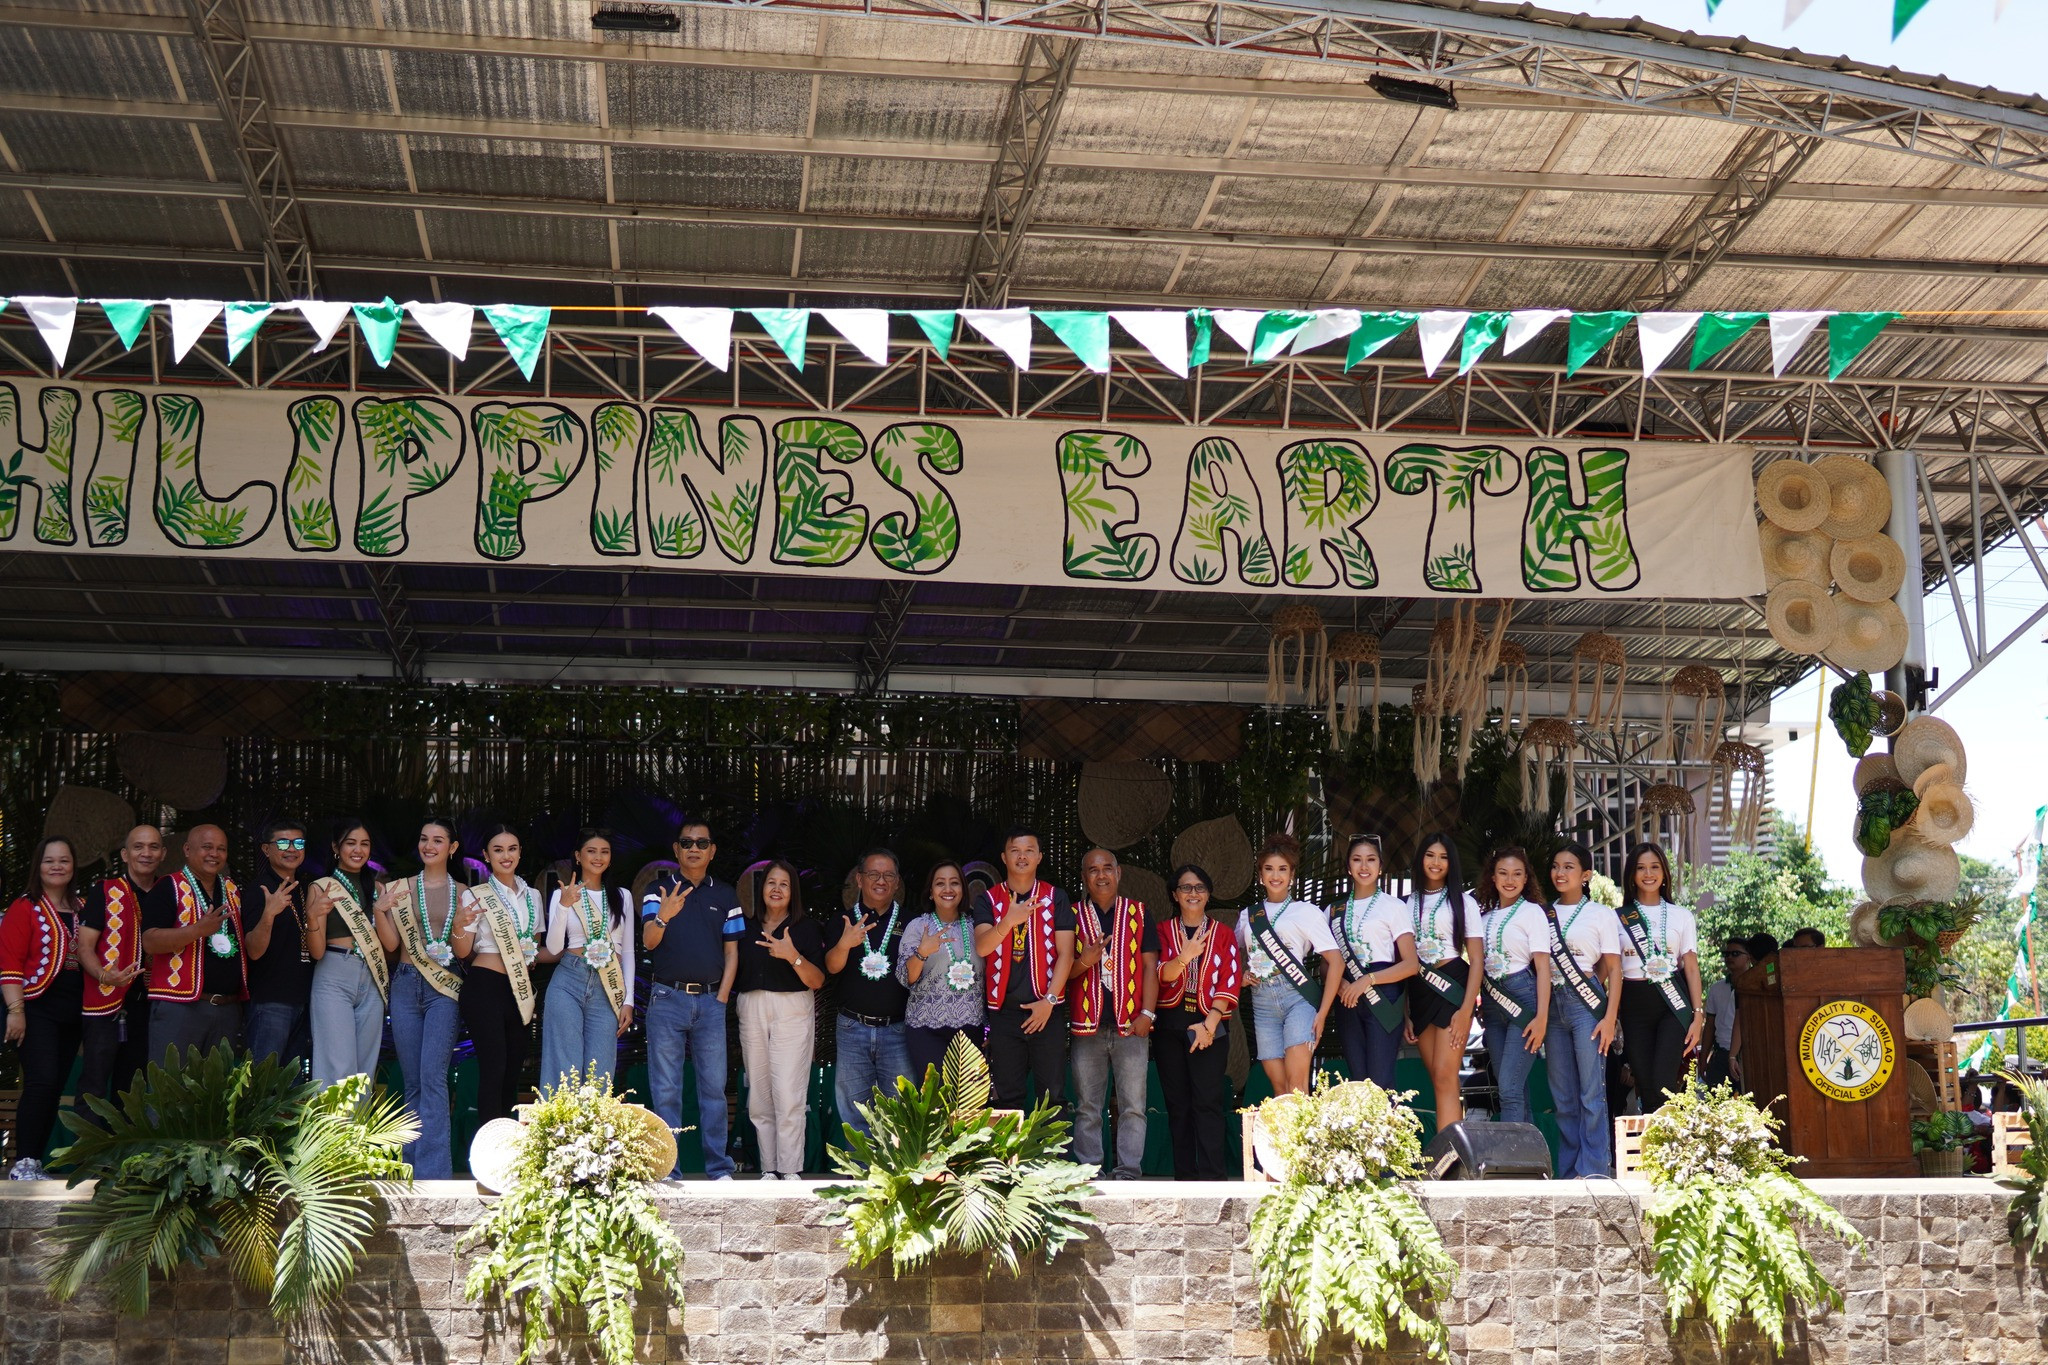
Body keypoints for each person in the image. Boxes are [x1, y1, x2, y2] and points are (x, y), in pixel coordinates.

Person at [642, 817, 743, 1180]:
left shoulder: (725, 894)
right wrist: (664, 917)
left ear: (712, 851)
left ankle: (719, 1168)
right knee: (666, 1088)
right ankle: (669, 1168)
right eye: (687, 843)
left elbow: (732, 953)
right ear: (676, 850)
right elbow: (648, 942)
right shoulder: (658, 890)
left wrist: (722, 998)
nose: (695, 849)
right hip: (667, 998)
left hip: (711, 1003)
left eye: (702, 843)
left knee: (714, 1089)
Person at [374, 818, 466, 1180]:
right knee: (411, 1080)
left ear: (452, 848)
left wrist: (460, 923)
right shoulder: (400, 888)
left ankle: (433, 1173)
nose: (430, 846)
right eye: (424, 839)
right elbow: (393, 945)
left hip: (444, 988)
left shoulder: (465, 891)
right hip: (407, 982)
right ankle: (408, 1168)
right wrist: (381, 911)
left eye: (439, 840)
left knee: (432, 1077)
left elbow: (465, 949)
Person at [971, 827, 1077, 1118]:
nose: (1022, 856)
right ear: (1004, 857)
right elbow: (982, 946)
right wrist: (1008, 920)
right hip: (1004, 1014)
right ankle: (1008, 1164)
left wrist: (1050, 1001)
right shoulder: (988, 900)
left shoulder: (1055, 897)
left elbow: (1066, 954)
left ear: (1040, 857)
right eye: (1015, 850)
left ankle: (1053, 1164)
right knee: (1006, 1096)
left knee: (1052, 1097)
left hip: (1048, 1012)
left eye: (1029, 850)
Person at [1067, 848, 1159, 1181]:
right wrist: (1086, 961)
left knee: (1134, 1105)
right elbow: (1062, 973)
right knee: (1088, 1107)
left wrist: (1147, 1013)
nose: (1101, 875)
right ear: (1084, 877)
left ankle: (1128, 1173)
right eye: (1093, 869)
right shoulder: (1072, 915)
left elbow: (1150, 966)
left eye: (1108, 868)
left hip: (1131, 1026)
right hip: (1086, 1026)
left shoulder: (1139, 912)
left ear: (1119, 873)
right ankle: (1090, 1173)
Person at [734, 861, 826, 1178]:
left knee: (788, 1091)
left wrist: (793, 956)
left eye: (784, 884)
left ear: (793, 892)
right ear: (761, 889)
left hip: (792, 1008)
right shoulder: (744, 926)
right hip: (752, 1006)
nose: (776, 889)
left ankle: (789, 1169)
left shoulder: (806, 928)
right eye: (771, 882)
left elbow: (817, 980)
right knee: (759, 1095)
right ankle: (768, 1169)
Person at [2, 837, 87, 1178]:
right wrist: (16, 1010)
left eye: (63, 860)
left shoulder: (83, 907)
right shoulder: (24, 906)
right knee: (41, 1081)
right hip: (36, 1006)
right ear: (38, 866)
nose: (56, 866)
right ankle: (22, 1162)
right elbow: (9, 962)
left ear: (73, 866)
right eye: (49, 860)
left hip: (73, 1010)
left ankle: (34, 1162)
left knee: (55, 1085)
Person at [1153, 862, 1241, 1179]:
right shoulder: (1162, 931)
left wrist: (1209, 1024)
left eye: (1200, 888)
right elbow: (1160, 975)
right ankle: (1184, 1179)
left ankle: (1214, 1179)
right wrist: (1184, 957)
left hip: (1210, 1027)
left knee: (1208, 1102)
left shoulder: (1224, 934)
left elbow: (1230, 981)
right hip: (1169, 1028)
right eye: (1186, 888)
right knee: (1178, 1106)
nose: (1193, 893)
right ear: (1175, 895)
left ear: (1208, 895)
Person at [1238, 831, 1342, 1098]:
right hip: (1262, 1003)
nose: (1276, 876)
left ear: (1292, 873)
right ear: (1260, 874)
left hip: (1298, 999)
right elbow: (1233, 956)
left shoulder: (1306, 912)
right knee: (1279, 1089)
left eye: (1282, 869)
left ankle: (1303, 1141)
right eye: (1269, 869)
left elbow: (1336, 961)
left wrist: (1322, 1013)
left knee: (1297, 1086)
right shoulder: (1247, 916)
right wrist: (1241, 976)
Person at [453, 825, 544, 1125]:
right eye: (498, 850)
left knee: (512, 1071)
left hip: (519, 989)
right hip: (485, 988)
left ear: (520, 852)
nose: (506, 856)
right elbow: (463, 951)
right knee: (493, 1068)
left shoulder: (533, 896)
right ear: (486, 856)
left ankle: (509, 1147)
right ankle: (489, 1152)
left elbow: (537, 949)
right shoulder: (476, 896)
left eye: (512, 848)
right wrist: (460, 923)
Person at [1544, 842, 1625, 1179]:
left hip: (1586, 1004)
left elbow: (1614, 969)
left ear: (1586, 874)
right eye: (1556, 866)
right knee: (1563, 1094)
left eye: (1569, 867)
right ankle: (1568, 1169)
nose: (1560, 873)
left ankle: (1594, 1169)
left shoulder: (1601, 914)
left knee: (1591, 1091)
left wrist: (1608, 1019)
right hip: (1550, 1003)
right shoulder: (1542, 912)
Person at [825, 848, 912, 1139]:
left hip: (897, 1028)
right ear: (859, 879)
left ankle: (895, 1177)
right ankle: (859, 1175)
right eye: (873, 874)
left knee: (900, 1111)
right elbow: (832, 968)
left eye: (888, 875)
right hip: (852, 1027)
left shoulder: (912, 923)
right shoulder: (843, 920)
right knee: (854, 1109)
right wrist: (845, 943)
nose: (881, 880)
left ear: (897, 882)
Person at [540, 828, 636, 1091]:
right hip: (569, 977)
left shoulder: (622, 896)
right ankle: (557, 1129)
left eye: (604, 852)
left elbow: (627, 951)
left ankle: (594, 1132)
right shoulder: (563, 894)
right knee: (564, 1065)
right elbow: (554, 946)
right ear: (578, 856)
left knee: (601, 1067)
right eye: (591, 851)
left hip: (608, 983)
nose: (598, 857)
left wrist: (627, 1000)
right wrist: (563, 906)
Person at [141, 825, 248, 1057]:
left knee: (217, 1091)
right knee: (172, 1088)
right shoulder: (168, 886)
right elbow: (149, 941)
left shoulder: (232, 891)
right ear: (187, 850)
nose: (214, 854)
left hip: (227, 1008)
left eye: (221, 849)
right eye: (207, 847)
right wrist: (198, 930)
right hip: (181, 1007)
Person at [75, 824, 160, 1114]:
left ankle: (124, 1158)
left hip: (150, 1005)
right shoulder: (105, 891)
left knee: (133, 1088)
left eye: (153, 847)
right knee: (94, 1086)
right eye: (138, 847)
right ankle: (90, 1157)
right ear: (125, 854)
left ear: (163, 853)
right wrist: (103, 974)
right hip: (106, 1003)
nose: (145, 853)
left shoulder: (170, 893)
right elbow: (84, 946)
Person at [1402, 833, 1484, 1128]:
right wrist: (1405, 1012)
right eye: (1430, 855)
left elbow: (1477, 960)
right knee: (1437, 1078)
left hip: (1453, 987)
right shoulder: (1405, 903)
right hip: (1420, 991)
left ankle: (1453, 1161)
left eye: (1443, 857)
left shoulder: (1464, 902)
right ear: (1420, 859)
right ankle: (1445, 1154)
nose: (1436, 863)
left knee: (1446, 1074)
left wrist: (1466, 1010)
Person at [1614, 842, 1704, 1111]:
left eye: (1655, 867)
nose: (1648, 873)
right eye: (1641, 868)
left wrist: (1698, 1014)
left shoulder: (1682, 916)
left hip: (1672, 1004)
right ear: (1632, 874)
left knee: (1665, 1079)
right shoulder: (1616, 918)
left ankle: (1669, 1145)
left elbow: (1690, 965)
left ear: (1664, 873)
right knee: (1645, 1081)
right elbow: (1611, 968)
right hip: (1633, 1003)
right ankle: (1658, 1147)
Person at [306, 817, 394, 1088]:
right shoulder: (320, 887)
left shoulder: (378, 889)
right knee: (337, 1064)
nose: (358, 850)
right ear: (336, 847)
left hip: (371, 975)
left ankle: (358, 1130)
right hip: (334, 973)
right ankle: (333, 1130)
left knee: (364, 1068)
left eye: (364, 844)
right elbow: (317, 951)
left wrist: (380, 911)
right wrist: (312, 917)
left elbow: (390, 946)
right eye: (351, 843)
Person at [1327, 834, 1418, 1091]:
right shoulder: (1333, 911)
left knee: (1380, 1080)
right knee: (1357, 1080)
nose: (1364, 866)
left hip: (1384, 993)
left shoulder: (1394, 907)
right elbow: (1326, 963)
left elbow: (1411, 964)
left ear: (1380, 866)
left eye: (1371, 860)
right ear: (1348, 867)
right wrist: (1341, 983)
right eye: (1357, 860)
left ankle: (1387, 1132)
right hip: (1347, 996)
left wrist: (1368, 979)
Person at [1477, 846, 1549, 1128]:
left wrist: (1541, 1018)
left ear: (1526, 879)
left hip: (1524, 999)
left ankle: (1512, 1158)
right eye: (1503, 873)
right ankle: (1529, 1162)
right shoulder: (1482, 918)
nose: (1510, 880)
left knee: (1508, 1087)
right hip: (1493, 1007)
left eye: (1517, 874)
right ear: (1492, 878)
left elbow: (1543, 968)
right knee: (1513, 1088)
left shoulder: (1533, 913)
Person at [896, 860, 982, 1084]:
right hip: (926, 1028)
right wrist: (922, 952)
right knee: (934, 1102)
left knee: (968, 1103)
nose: (947, 889)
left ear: (963, 891)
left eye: (954, 883)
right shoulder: (918, 927)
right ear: (931, 892)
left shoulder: (978, 928)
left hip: (970, 1027)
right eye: (940, 884)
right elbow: (906, 978)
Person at [243, 819, 316, 1071]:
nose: (292, 849)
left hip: (304, 1000)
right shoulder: (259, 889)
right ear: (266, 849)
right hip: (271, 1001)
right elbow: (253, 950)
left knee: (293, 1088)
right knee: (262, 1083)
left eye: (298, 843)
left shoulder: (309, 887)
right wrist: (269, 914)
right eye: (283, 842)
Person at [1701, 938, 1751, 1088]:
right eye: (1726, 954)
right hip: (1721, 1053)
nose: (1729, 957)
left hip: (1747, 1055)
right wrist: (1703, 1058)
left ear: (1749, 957)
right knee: (1716, 1104)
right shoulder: (1716, 988)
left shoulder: (1756, 987)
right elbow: (1709, 1026)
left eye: (1735, 953)